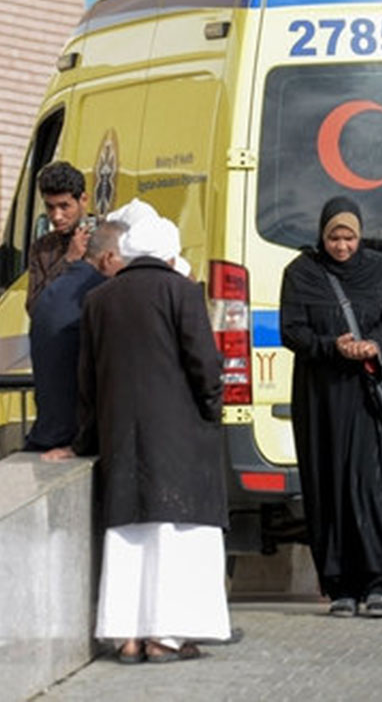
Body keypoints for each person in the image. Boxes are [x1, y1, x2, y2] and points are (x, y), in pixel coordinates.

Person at [45, 215, 229, 663]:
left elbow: (87, 381)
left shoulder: (98, 299)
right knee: (176, 536)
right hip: (179, 438)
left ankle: (127, 636)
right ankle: (165, 637)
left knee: (130, 538)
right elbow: (204, 365)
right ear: (168, 256)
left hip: (120, 435)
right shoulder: (181, 292)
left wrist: (84, 440)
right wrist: (211, 410)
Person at [279, 196, 382, 618]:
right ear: (322, 235)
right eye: (333, 238)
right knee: (328, 484)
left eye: (349, 237)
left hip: (367, 394)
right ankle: (339, 584)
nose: (341, 247)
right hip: (322, 396)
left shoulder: (376, 270)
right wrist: (331, 347)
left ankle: (379, 581)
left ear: (360, 235)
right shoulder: (301, 273)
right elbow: (291, 330)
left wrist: (373, 344)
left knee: (371, 485)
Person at [23, 220, 127, 452]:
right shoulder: (100, 296)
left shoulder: (52, 291)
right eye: (126, 262)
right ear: (108, 258)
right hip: (79, 441)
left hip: (47, 434)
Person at [26, 160, 91, 313]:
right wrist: (68, 261)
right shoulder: (42, 248)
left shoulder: (107, 236)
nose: (57, 216)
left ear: (83, 200)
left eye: (64, 206)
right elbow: (35, 308)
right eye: (50, 207)